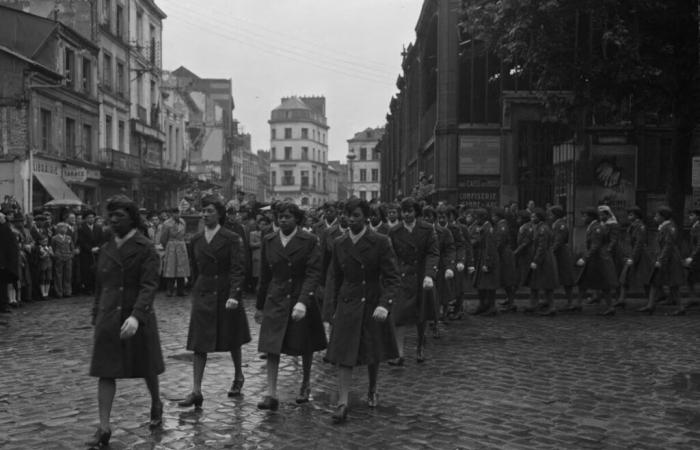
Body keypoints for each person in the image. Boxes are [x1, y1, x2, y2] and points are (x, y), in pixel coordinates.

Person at [87, 195, 164, 447]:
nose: (113, 220)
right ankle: (104, 426)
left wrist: (136, 316)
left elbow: (149, 285)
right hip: (109, 317)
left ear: (132, 218)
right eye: (111, 215)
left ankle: (156, 402)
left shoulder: (145, 248)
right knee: (105, 370)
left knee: (147, 366)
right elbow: (101, 284)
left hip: (136, 317)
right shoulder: (107, 247)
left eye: (119, 215)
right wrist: (97, 311)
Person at [325, 198, 401, 423]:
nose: (351, 220)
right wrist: (331, 310)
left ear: (366, 217)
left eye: (356, 215)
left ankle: (372, 387)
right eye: (348, 215)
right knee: (343, 353)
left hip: (372, 302)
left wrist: (384, 304)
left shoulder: (380, 241)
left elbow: (392, 277)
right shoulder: (339, 243)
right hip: (348, 302)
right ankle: (343, 401)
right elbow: (334, 278)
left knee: (372, 350)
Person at [178, 196, 251, 409]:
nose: (205, 214)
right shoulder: (196, 239)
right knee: (199, 343)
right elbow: (195, 267)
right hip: (204, 293)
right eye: (203, 210)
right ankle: (196, 391)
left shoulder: (231, 238)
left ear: (219, 214)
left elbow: (238, 268)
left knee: (232, 338)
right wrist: (195, 289)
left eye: (209, 210)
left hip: (225, 293)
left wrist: (234, 294)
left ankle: (238, 376)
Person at [255, 202, 326, 410]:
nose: (283, 220)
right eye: (280, 217)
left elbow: (314, 272)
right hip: (276, 297)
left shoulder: (309, 240)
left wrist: (303, 301)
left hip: (300, 296)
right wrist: (259, 305)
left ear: (297, 219)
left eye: (287, 216)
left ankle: (305, 384)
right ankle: (271, 392)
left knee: (305, 344)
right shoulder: (269, 240)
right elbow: (265, 275)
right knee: (271, 345)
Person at [387, 197, 439, 365]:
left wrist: (429, 274)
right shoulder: (394, 231)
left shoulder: (427, 229)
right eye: (404, 211)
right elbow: (390, 255)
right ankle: (399, 353)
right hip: (402, 277)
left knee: (421, 314)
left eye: (409, 211)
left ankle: (420, 346)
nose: (406, 214)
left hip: (422, 277)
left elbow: (433, 252)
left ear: (416, 212)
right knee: (399, 315)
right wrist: (393, 274)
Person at [638, 206, 684, 314]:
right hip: (665, 258)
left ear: (663, 217)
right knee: (655, 281)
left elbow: (668, 245)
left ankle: (681, 308)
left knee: (673, 284)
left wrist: (660, 260)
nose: (655, 217)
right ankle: (650, 305)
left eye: (657, 216)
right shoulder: (664, 226)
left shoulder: (668, 227)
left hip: (670, 259)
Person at [575, 207, 618, 315]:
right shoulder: (593, 226)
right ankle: (578, 304)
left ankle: (610, 306)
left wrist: (585, 258)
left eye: (585, 216)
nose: (583, 218)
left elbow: (595, 246)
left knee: (604, 285)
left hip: (598, 260)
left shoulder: (596, 228)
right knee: (583, 282)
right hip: (594, 259)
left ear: (591, 217)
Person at [616, 206, 652, 309]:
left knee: (646, 279)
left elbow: (639, 243)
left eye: (631, 214)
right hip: (633, 254)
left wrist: (632, 257)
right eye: (629, 214)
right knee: (624, 277)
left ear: (637, 215)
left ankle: (650, 302)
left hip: (641, 255)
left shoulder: (640, 226)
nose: (629, 216)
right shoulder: (633, 225)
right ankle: (621, 299)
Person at [525, 208, 559, 316]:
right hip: (541, 258)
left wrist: (536, 260)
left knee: (547, 284)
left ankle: (552, 307)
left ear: (539, 218)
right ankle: (533, 304)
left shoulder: (542, 229)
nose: (532, 218)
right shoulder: (539, 227)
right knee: (535, 282)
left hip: (544, 259)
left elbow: (542, 246)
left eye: (534, 216)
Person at [471, 209, 500, 316]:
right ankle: (483, 305)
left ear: (483, 218)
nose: (475, 220)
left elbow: (490, 247)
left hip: (487, 258)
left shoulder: (488, 229)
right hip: (482, 257)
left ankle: (491, 307)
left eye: (477, 217)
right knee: (481, 284)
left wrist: (487, 263)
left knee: (489, 284)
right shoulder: (484, 228)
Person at [548, 206, 576, 311]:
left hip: (562, 254)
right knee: (555, 277)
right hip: (558, 253)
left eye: (551, 214)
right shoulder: (556, 224)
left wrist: (551, 251)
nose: (549, 217)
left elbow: (559, 241)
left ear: (555, 215)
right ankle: (549, 301)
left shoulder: (561, 225)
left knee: (566, 278)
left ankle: (570, 302)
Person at [160, 207, 190, 297]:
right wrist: (168, 246)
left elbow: (184, 234)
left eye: (178, 213)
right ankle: (170, 290)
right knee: (171, 268)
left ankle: (181, 290)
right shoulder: (167, 224)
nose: (177, 215)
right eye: (175, 213)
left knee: (182, 269)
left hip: (181, 245)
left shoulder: (183, 222)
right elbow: (163, 238)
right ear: (171, 214)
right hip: (171, 246)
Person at [492, 208, 517, 311]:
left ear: (498, 216)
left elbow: (500, 241)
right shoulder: (500, 224)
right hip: (503, 253)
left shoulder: (502, 225)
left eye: (493, 216)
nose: (492, 218)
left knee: (508, 279)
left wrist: (495, 253)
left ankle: (511, 303)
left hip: (504, 254)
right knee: (505, 279)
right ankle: (509, 299)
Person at [678, 208, 700, 314]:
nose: (689, 217)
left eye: (691, 215)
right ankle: (693, 298)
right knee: (690, 278)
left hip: (697, 258)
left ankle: (694, 298)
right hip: (696, 257)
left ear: (697, 216)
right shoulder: (694, 226)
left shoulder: (698, 226)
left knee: (692, 277)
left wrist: (692, 257)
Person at [78, 210, 104, 295]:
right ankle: (88, 288)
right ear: (85, 219)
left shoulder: (98, 227)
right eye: (89, 217)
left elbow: (101, 239)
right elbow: (81, 241)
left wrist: (98, 247)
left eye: (92, 217)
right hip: (86, 253)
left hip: (97, 252)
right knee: (87, 271)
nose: (91, 219)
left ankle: (96, 288)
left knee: (96, 270)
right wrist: (90, 249)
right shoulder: (81, 228)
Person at [0, 212, 19, 313]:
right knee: (2, 284)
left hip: (5, 261)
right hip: (3, 261)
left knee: (3, 284)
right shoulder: (4, 229)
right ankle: (3, 304)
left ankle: (4, 304)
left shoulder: (5, 228)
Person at [51, 222, 74, 298]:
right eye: (62, 228)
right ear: (58, 229)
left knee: (68, 275)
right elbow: (53, 248)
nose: (64, 229)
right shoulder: (54, 238)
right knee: (58, 275)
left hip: (68, 257)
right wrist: (56, 255)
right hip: (59, 258)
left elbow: (72, 247)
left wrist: (71, 255)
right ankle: (59, 292)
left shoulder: (69, 238)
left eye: (65, 228)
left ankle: (67, 291)